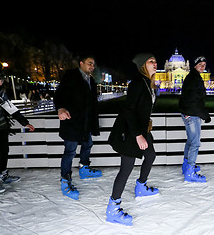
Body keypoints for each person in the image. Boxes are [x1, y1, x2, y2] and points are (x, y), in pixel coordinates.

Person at [107, 53, 159, 226]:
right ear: (143, 65)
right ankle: (113, 208)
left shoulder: (148, 84)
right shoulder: (138, 83)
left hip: (142, 129)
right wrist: (137, 135)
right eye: (151, 61)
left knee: (150, 155)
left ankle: (141, 186)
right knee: (126, 169)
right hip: (131, 131)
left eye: (155, 60)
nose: (155, 63)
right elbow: (129, 110)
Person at [53, 55, 101, 200]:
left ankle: (84, 168)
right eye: (89, 64)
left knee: (88, 144)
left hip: (86, 122)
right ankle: (65, 181)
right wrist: (60, 108)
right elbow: (59, 94)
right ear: (81, 63)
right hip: (72, 121)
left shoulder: (91, 80)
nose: (92, 67)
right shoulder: (71, 76)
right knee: (70, 151)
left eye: (93, 64)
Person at [0, 64, 35, 194]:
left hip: (2, 126)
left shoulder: (0, 93)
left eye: (1, 80)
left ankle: (3, 175)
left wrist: (24, 122)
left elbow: (10, 108)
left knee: (4, 151)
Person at [179, 56, 211, 183]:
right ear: (194, 65)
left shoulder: (193, 77)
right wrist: (205, 116)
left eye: (204, 64)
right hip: (191, 114)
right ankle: (190, 171)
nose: (203, 66)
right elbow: (193, 101)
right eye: (200, 64)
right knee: (195, 143)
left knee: (191, 141)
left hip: (188, 113)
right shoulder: (194, 78)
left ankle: (186, 166)